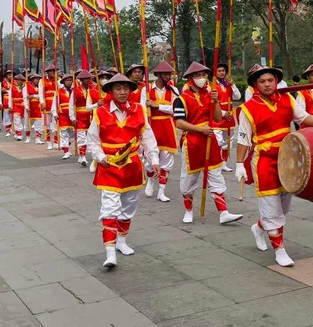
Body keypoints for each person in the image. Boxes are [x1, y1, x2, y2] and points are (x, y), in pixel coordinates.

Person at [235, 65, 313, 267]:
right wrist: (239, 164)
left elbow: (302, 118)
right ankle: (279, 250)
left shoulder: (287, 99)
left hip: (287, 158)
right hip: (264, 159)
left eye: (270, 80)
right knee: (271, 205)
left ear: (276, 81)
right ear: (256, 84)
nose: (267, 84)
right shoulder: (248, 108)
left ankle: (259, 227)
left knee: (282, 206)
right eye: (262, 81)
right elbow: (243, 138)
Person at [87, 73, 160, 267]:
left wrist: (154, 159)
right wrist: (101, 157)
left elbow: (148, 137)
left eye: (125, 88)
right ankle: (110, 252)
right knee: (109, 209)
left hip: (132, 167)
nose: (122, 92)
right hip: (109, 166)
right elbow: (92, 140)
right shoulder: (100, 112)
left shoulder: (139, 110)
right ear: (110, 91)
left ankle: (121, 241)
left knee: (129, 207)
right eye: (118, 88)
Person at [173, 62, 243, 225]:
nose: (202, 78)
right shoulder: (182, 99)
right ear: (190, 78)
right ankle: (188, 210)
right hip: (192, 142)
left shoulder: (210, 95)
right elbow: (179, 123)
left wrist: (216, 101)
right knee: (189, 178)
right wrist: (199, 129)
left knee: (215, 175)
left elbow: (218, 118)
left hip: (210, 141)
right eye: (198, 76)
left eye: (204, 75)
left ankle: (223, 212)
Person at [140, 61, 177, 202]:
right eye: (166, 74)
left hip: (168, 126)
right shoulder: (147, 90)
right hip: (152, 125)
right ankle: (150, 179)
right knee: (150, 157)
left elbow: (175, 109)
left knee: (167, 160)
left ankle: (162, 190)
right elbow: (142, 109)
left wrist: (157, 106)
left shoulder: (174, 90)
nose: (169, 76)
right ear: (158, 75)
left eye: (170, 74)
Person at [214, 62, 241, 172]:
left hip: (229, 116)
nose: (222, 73)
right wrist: (223, 113)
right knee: (218, 141)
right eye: (219, 71)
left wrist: (233, 84)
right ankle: (217, 162)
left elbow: (237, 96)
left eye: (223, 71)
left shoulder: (228, 84)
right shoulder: (211, 85)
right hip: (218, 116)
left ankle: (224, 163)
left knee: (228, 141)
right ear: (215, 72)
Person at [74, 70, 97, 167]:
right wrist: (72, 117)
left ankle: (94, 157)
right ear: (81, 80)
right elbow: (72, 104)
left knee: (93, 136)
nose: (88, 80)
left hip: (92, 115)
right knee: (81, 136)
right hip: (80, 115)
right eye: (85, 79)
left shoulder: (94, 89)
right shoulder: (75, 90)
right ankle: (82, 156)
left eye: (89, 78)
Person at [52, 74, 77, 160]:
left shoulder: (75, 91)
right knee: (63, 133)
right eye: (67, 80)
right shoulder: (59, 91)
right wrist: (55, 113)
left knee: (73, 135)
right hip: (62, 115)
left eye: (70, 80)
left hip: (73, 115)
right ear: (64, 82)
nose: (69, 82)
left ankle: (67, 145)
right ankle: (66, 151)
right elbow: (54, 103)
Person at [40, 65, 59, 149]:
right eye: (51, 71)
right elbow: (41, 92)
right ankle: (48, 142)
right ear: (47, 73)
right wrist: (42, 102)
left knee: (56, 123)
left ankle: (56, 141)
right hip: (47, 103)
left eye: (53, 71)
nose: (52, 73)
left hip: (55, 104)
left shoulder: (58, 80)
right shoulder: (42, 81)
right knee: (46, 124)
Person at [26, 73, 44, 144]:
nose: (37, 80)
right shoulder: (26, 85)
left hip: (38, 106)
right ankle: (27, 137)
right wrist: (26, 106)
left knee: (39, 122)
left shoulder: (40, 86)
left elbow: (42, 95)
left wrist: (33, 95)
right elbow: (26, 96)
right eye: (35, 79)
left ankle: (38, 138)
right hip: (30, 106)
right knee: (27, 122)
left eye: (38, 79)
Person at [9, 74, 27, 140]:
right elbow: (10, 97)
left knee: (22, 120)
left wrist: (26, 105)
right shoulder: (12, 87)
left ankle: (17, 132)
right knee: (16, 119)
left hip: (22, 105)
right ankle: (19, 133)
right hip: (15, 105)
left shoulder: (24, 87)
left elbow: (25, 96)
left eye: (21, 80)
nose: (19, 81)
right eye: (18, 80)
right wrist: (10, 106)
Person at [1, 70, 13, 135]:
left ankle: (11, 127)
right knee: (6, 114)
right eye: (9, 75)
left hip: (12, 99)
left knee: (12, 115)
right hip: (6, 99)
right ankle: (7, 129)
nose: (11, 76)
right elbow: (1, 89)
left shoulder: (14, 82)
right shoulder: (3, 82)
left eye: (11, 75)